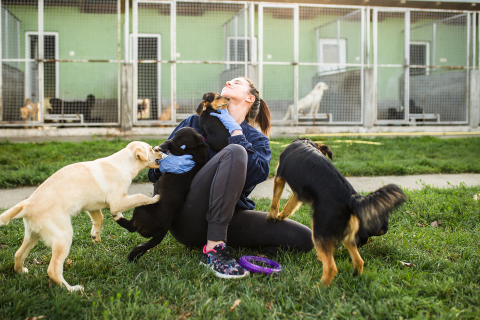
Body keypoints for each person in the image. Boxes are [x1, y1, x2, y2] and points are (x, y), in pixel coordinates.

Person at [149, 77, 313, 279]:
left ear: (249, 98)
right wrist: (162, 164)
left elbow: (255, 173)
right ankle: (214, 250)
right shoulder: (193, 123)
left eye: (237, 82)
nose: (229, 81)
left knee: (304, 239)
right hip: (186, 216)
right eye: (229, 81)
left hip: (228, 218)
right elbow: (153, 170)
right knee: (235, 151)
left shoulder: (257, 140)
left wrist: (235, 132)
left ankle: (221, 240)